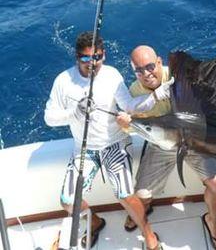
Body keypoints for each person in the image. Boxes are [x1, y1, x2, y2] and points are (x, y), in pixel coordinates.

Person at [44, 32, 172, 249]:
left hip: (115, 143)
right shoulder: (63, 81)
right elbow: (49, 118)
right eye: (85, 58)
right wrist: (74, 112)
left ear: (104, 55)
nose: (92, 63)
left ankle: (149, 235)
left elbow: (130, 106)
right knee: (67, 200)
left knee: (125, 195)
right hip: (85, 149)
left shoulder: (112, 76)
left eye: (97, 57)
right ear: (77, 57)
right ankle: (94, 222)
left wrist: (157, 95)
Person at [117, 45, 216, 250]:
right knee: (141, 197)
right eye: (139, 70)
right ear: (133, 71)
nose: (146, 74)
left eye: (149, 67)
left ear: (158, 62)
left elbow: (210, 82)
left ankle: (212, 222)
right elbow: (138, 127)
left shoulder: (179, 75)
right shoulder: (134, 93)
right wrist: (126, 126)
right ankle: (146, 207)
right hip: (162, 145)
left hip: (194, 141)